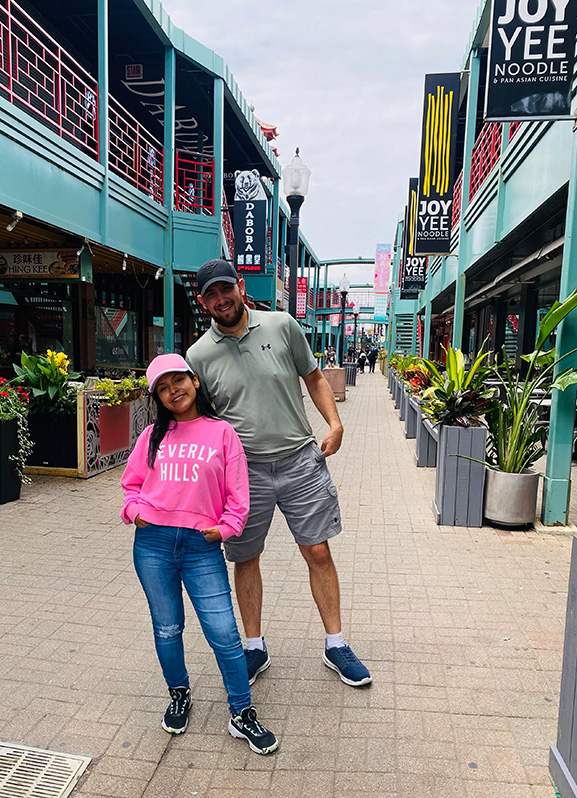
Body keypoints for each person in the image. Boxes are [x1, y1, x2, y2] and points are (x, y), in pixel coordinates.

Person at [186, 259, 371, 689]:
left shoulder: (282, 325)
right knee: (245, 558)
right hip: (242, 473)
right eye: (210, 295)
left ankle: (336, 644)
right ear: (202, 301)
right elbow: (201, 417)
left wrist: (336, 424)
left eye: (224, 290)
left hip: (299, 462)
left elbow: (315, 377)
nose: (220, 300)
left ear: (240, 285)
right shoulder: (198, 354)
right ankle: (254, 647)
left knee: (318, 552)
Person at [120, 353, 278, 755]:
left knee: (224, 632)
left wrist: (227, 527)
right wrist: (134, 512)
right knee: (167, 627)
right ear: (157, 396)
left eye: (179, 381)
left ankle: (241, 713)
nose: (174, 391)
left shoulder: (221, 433)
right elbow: (131, 485)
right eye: (163, 387)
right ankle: (179, 694)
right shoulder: (151, 436)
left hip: (201, 546)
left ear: (195, 381)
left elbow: (238, 494)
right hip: (153, 544)